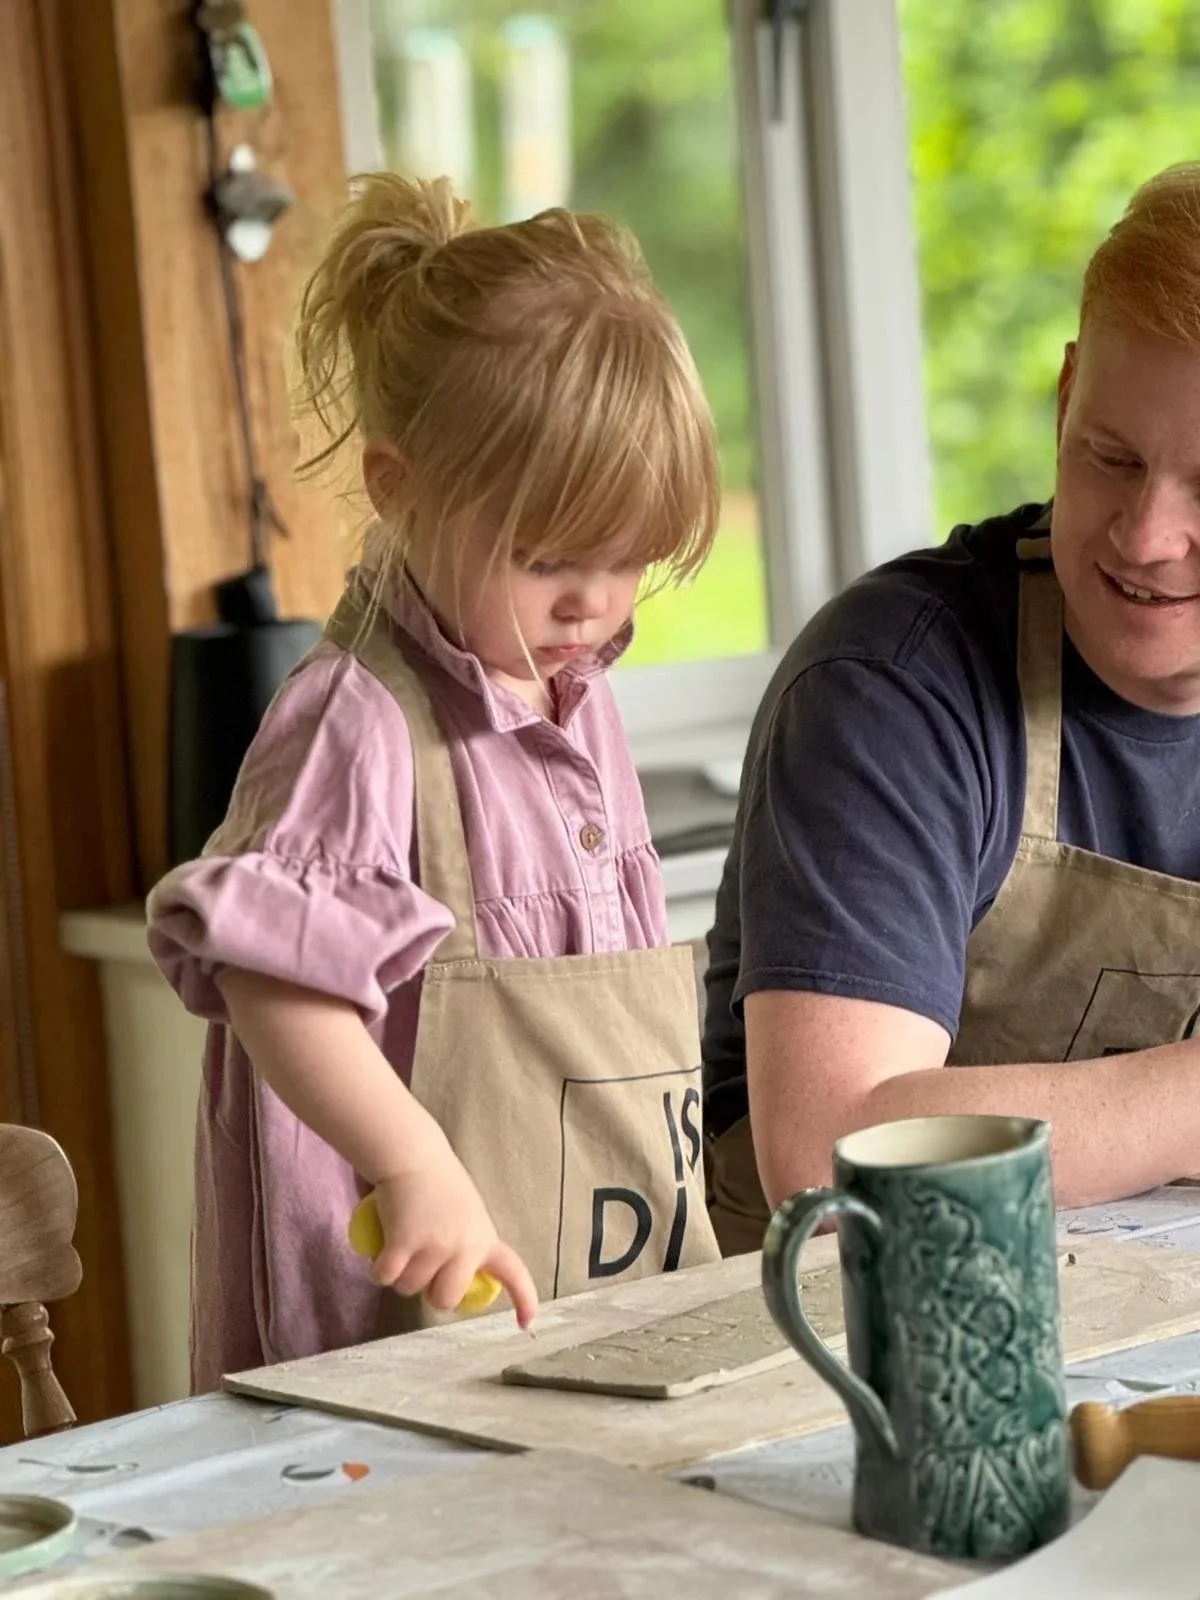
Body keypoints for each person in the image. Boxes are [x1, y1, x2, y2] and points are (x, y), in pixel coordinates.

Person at [147, 172, 722, 1391]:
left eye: (629, 562)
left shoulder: (578, 691)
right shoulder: (357, 722)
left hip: (591, 1271)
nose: (593, 603)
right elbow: (270, 975)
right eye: (549, 555)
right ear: (400, 486)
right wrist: (411, 1157)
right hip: (398, 1298)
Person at [703, 162, 1200, 1256]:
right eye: (1111, 458)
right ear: (1066, 396)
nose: (1147, 534)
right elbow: (830, 1149)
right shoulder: (890, 688)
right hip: (843, 1371)